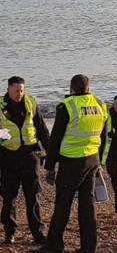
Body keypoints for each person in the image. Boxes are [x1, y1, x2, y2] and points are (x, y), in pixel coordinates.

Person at [36, 74, 107, 253]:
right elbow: (103, 136)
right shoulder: (100, 104)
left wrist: (50, 167)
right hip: (91, 159)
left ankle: (54, 245)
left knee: (63, 205)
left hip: (71, 162)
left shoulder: (67, 107)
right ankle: (89, 246)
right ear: (88, 88)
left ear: (71, 88)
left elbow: (55, 140)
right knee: (87, 205)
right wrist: (99, 160)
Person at [0, 76, 50, 245]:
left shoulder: (31, 103)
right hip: (8, 157)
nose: (19, 94)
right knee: (9, 197)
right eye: (16, 91)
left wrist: (50, 152)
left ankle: (37, 233)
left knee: (33, 196)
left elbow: (42, 129)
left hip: (30, 156)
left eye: (22, 90)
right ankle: (10, 233)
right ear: (8, 89)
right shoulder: (0, 106)